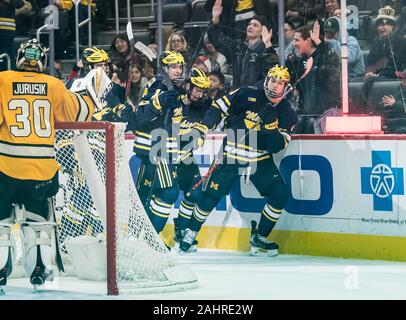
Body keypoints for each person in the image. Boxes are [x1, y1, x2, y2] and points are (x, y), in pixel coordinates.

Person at [0, 38, 102, 291]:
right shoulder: (54, 84)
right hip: (42, 170)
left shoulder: (2, 80)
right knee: (40, 225)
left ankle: (1, 267)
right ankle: (40, 268)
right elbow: (77, 115)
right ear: (42, 62)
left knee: (1, 223)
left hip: (5, 168)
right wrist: (92, 93)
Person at [177, 65, 298, 255]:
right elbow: (218, 108)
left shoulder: (286, 112)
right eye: (273, 80)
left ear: (285, 87)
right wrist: (203, 127)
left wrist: (271, 128)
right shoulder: (246, 94)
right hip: (233, 153)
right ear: (266, 80)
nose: (275, 86)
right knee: (210, 195)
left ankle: (259, 237)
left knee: (280, 194)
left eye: (280, 83)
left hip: (260, 158)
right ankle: (190, 232)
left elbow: (278, 146)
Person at [134, 50, 185, 234]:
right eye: (173, 67)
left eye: (180, 66)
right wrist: (160, 102)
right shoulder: (157, 86)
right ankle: (152, 238)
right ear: (164, 69)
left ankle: (141, 233)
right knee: (168, 192)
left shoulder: (177, 87)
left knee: (146, 193)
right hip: (157, 147)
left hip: (165, 148)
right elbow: (140, 117)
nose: (178, 70)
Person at [168, 68, 212, 251]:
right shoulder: (173, 102)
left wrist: (201, 134)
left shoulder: (203, 105)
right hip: (167, 158)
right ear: (188, 86)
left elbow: (211, 118)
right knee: (163, 196)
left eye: (202, 91)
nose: (199, 94)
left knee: (194, 195)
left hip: (186, 159)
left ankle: (181, 229)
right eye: (196, 89)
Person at [208, 0, 279, 90]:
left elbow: (273, 70)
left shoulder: (265, 49)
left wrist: (268, 44)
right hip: (237, 94)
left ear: (263, 31)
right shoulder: (238, 47)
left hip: (255, 96)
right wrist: (215, 19)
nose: (250, 26)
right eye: (249, 24)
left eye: (255, 25)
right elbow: (218, 41)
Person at [289, 21, 341, 134]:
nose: (294, 43)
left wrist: (319, 43)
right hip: (306, 115)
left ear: (308, 40)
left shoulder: (323, 56)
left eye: (297, 40)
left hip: (324, 115)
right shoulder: (300, 61)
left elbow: (333, 64)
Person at [377, 68, 406, 133]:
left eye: (404, 79)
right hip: (394, 123)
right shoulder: (400, 90)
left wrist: (394, 103)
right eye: (401, 79)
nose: (401, 81)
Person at [0, 0, 25, 71]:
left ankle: (7, 77)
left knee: (8, 56)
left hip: (8, 30)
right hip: (8, 30)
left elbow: (20, 3)